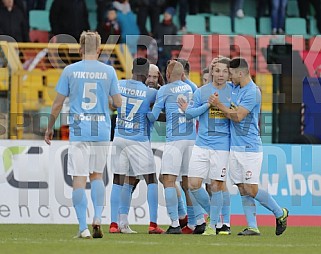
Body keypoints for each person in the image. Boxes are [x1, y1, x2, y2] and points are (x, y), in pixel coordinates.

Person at [44, 31, 121, 238]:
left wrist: (50, 127)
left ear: (79, 49)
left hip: (79, 130)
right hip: (102, 130)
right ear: (99, 49)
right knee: (97, 175)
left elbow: (58, 103)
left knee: (78, 179)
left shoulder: (70, 70)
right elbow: (118, 103)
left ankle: (82, 228)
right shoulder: (109, 71)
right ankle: (97, 216)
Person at [209, 57, 289, 236]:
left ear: (240, 73)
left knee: (251, 188)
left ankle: (280, 213)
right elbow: (214, 85)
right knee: (242, 187)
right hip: (235, 147)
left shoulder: (253, 92)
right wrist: (216, 65)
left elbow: (238, 116)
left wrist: (219, 105)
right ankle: (253, 226)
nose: (228, 77)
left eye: (230, 73)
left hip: (250, 147)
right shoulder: (235, 88)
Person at [178, 57, 232, 235]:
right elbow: (189, 114)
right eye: (217, 71)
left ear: (229, 73)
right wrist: (208, 105)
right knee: (193, 185)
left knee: (216, 185)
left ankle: (213, 225)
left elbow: (238, 114)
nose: (221, 74)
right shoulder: (202, 92)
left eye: (224, 71)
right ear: (212, 72)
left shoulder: (233, 91)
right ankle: (216, 218)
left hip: (222, 145)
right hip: (201, 144)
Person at [109, 58, 163, 234]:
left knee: (119, 180)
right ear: (146, 73)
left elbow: (112, 104)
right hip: (138, 139)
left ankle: (115, 224)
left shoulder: (118, 84)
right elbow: (160, 108)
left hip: (118, 137)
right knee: (151, 180)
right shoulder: (150, 93)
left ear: (131, 68)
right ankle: (153, 224)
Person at [148, 60, 196, 234]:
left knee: (168, 180)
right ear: (182, 75)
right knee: (187, 182)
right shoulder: (189, 88)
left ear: (167, 75)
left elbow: (153, 116)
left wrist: (141, 110)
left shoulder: (164, 90)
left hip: (175, 140)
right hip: (191, 139)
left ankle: (175, 223)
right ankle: (193, 222)